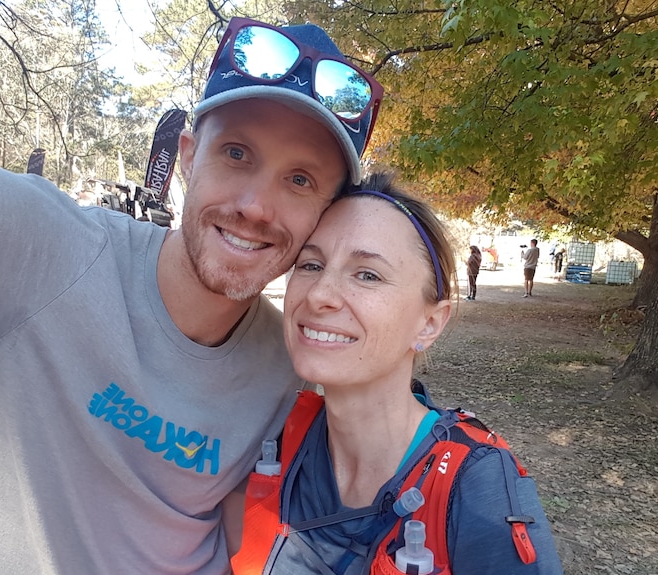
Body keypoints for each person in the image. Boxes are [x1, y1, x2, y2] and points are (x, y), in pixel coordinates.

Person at [0, 17, 384, 575]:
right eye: (237, 154)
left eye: (301, 180)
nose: (257, 206)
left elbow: (247, 533)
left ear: (324, 214)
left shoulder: (289, 362)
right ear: (189, 157)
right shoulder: (35, 243)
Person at [231, 173, 563, 574]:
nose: (318, 294)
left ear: (429, 324)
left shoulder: (478, 488)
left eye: (367, 274)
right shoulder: (278, 432)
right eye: (311, 264)